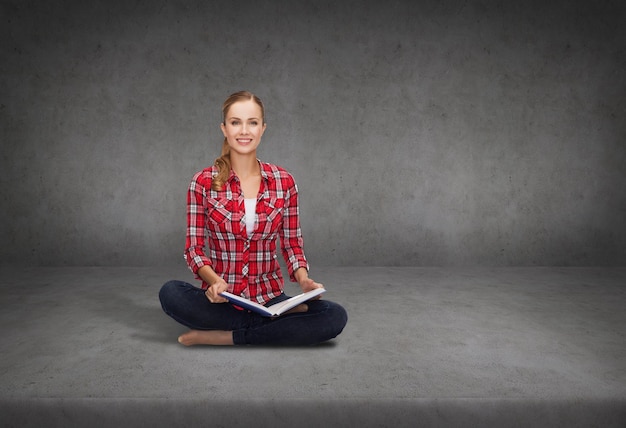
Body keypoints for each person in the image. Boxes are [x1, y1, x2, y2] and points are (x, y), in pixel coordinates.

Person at [159, 91, 348, 346]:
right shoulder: (202, 182)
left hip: (270, 298)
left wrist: (304, 281)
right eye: (236, 122)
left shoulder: (284, 181)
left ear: (263, 129)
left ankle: (227, 337)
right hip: (223, 301)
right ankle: (276, 327)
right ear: (224, 129)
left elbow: (292, 244)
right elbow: (193, 249)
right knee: (171, 293)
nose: (244, 130)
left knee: (334, 316)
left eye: (252, 122)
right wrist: (214, 283)